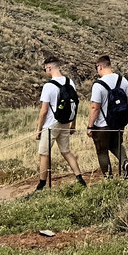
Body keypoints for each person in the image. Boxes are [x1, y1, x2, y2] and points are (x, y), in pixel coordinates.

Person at [35, 58, 88, 190]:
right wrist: (73, 124)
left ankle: (41, 184)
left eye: (45, 69)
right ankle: (79, 178)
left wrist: (39, 129)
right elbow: (74, 105)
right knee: (66, 151)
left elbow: (44, 111)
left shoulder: (48, 86)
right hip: (65, 122)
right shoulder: (70, 82)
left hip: (51, 125)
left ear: (49, 68)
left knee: (44, 154)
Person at [87, 55, 128, 180]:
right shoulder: (122, 80)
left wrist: (90, 126)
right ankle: (125, 164)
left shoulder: (98, 85)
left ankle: (108, 178)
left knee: (102, 151)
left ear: (100, 67)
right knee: (117, 145)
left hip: (102, 126)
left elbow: (95, 107)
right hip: (119, 122)